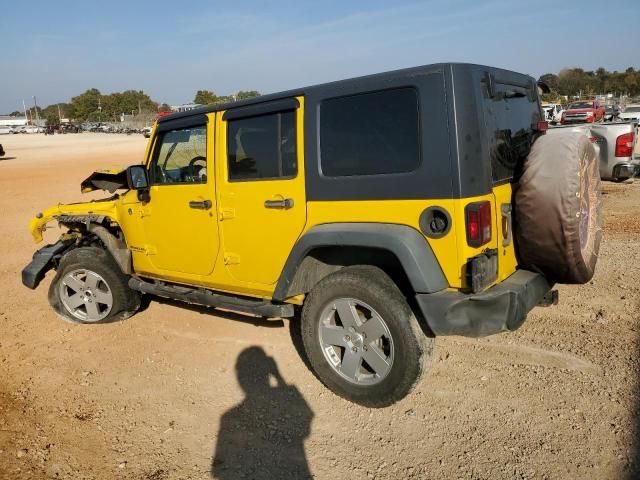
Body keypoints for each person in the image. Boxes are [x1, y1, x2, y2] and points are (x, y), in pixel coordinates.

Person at [211, 347, 314, 480]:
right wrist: (279, 377)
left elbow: (218, 472)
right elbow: (306, 426)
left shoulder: (228, 417)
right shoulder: (228, 417)